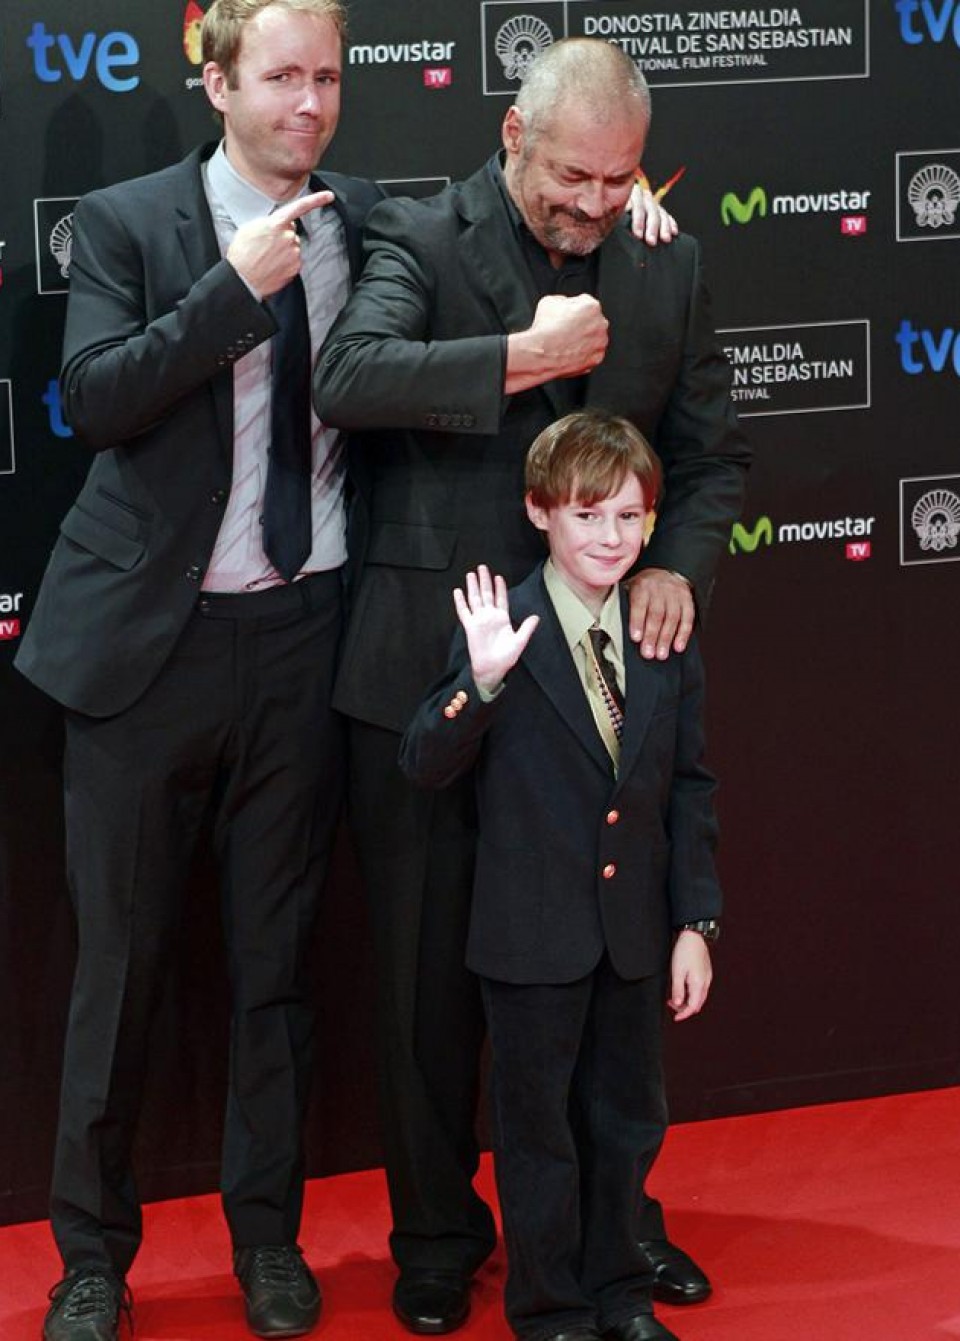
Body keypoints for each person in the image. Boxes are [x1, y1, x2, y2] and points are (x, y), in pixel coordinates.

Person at [314, 35, 750, 1337]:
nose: (593, 205)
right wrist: (517, 352)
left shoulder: (664, 260)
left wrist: (676, 567)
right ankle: (442, 1234)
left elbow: (712, 455)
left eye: (618, 181)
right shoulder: (420, 235)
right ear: (513, 135)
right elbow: (347, 378)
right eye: (573, 177)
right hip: (432, 679)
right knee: (428, 991)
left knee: (606, 986)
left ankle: (609, 1232)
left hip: (601, 698)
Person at [14, 3, 385, 1339]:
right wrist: (235, 292)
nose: (311, 102)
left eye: (329, 75)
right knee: (115, 972)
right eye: (283, 75)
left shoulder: (372, 217)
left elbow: (519, 208)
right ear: (216, 79)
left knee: (277, 968)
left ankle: (269, 1245)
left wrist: (627, 203)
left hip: (301, 642)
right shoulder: (125, 223)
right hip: (142, 656)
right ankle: (93, 1262)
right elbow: (99, 398)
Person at [399, 410, 722, 1341]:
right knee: (539, 1137)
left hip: (631, 934)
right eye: (587, 516)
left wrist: (695, 924)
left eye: (627, 517)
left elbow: (690, 786)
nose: (608, 537)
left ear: (652, 522)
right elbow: (422, 759)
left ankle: (620, 1293)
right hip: (530, 936)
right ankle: (550, 1310)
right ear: (540, 511)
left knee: (625, 1126)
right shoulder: (499, 622)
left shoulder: (663, 630)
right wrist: (485, 683)